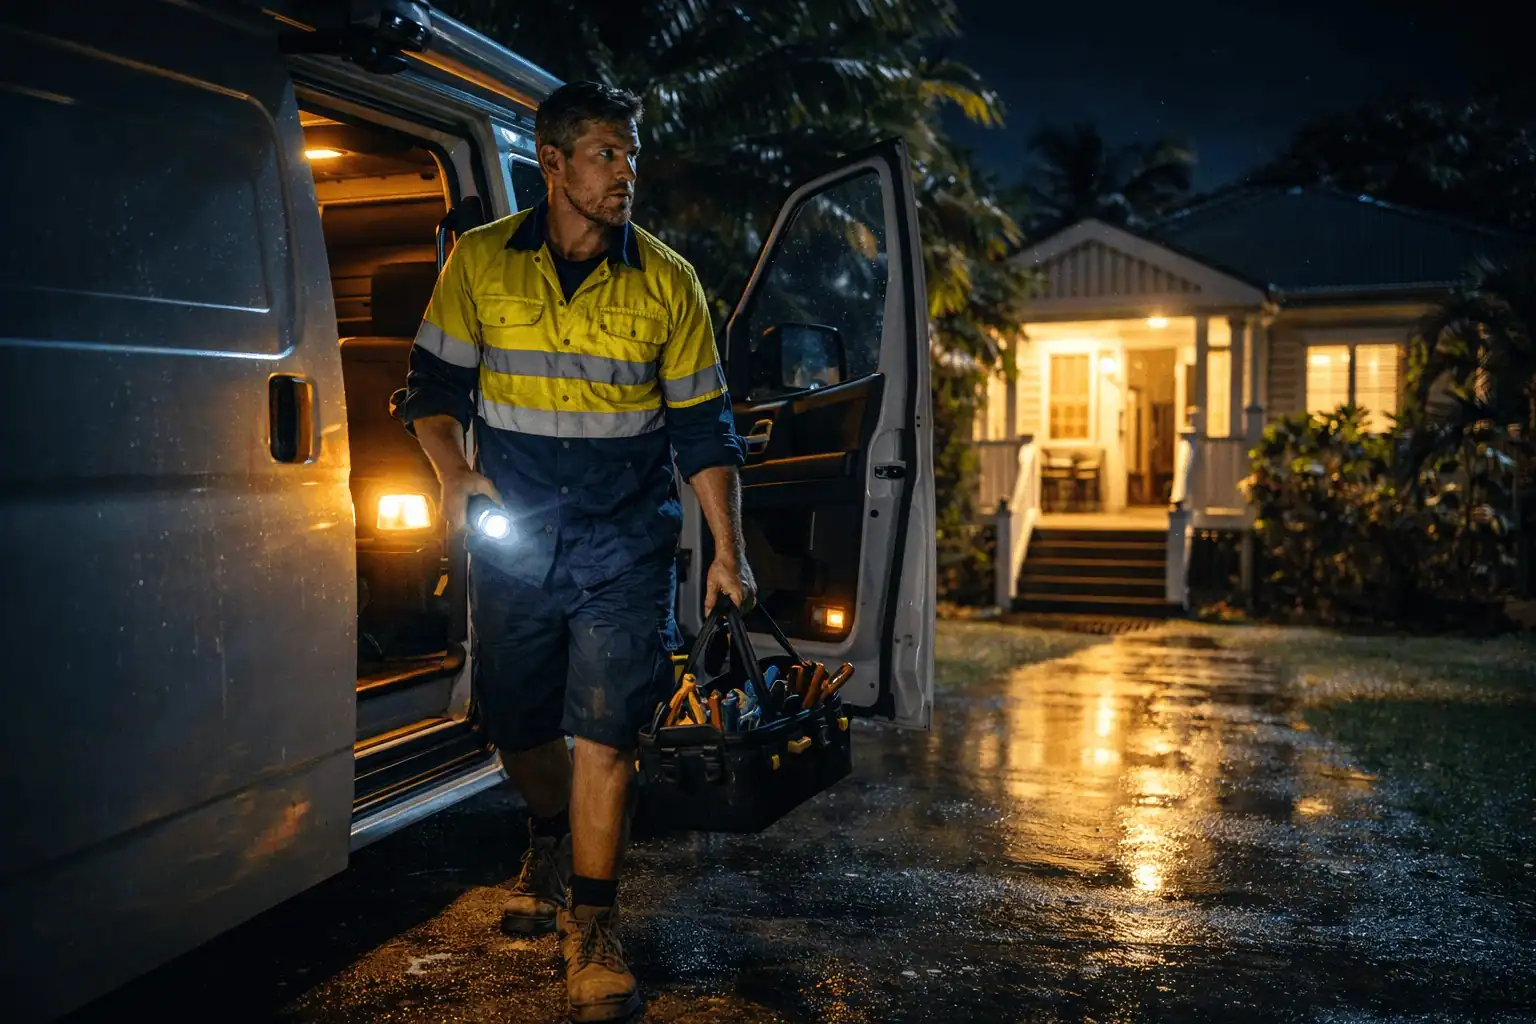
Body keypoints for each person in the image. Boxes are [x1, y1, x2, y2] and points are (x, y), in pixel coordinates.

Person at [395, 81, 756, 1022]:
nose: (625, 171)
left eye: (631, 155)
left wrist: (728, 551)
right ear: (552, 164)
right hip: (515, 539)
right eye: (606, 153)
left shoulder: (669, 280)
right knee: (517, 727)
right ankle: (550, 833)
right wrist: (451, 471)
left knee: (606, 732)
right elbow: (431, 387)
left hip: (624, 544)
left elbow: (705, 431)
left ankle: (592, 930)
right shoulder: (480, 262)